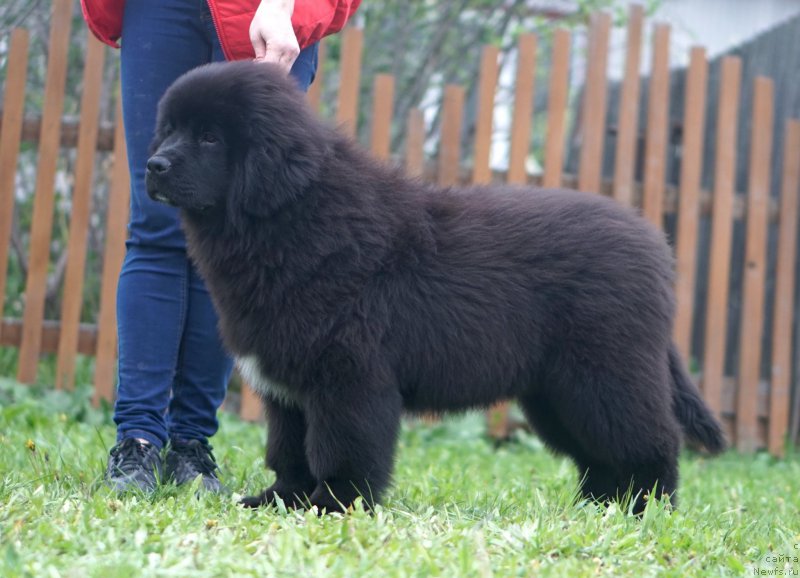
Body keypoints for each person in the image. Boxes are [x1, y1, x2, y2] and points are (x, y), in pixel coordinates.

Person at [79, 0, 361, 493]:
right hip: (159, 9)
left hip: (264, 12)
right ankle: (138, 440)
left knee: (238, 238)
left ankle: (190, 443)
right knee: (156, 225)